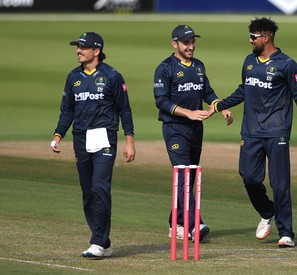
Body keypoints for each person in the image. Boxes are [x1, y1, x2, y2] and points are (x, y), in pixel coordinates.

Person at [210, 17, 297, 247]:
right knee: (248, 177)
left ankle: (286, 233)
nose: (250, 41)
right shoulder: (249, 61)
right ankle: (267, 211)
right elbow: (243, 90)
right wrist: (221, 105)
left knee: (280, 184)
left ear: (266, 37)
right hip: (251, 131)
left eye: (253, 37)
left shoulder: (288, 64)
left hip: (277, 131)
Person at [50, 32, 136, 257]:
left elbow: (124, 110)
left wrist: (130, 141)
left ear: (96, 51)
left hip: (105, 137)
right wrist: (59, 134)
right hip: (81, 138)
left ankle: (97, 241)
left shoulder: (112, 76)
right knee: (88, 192)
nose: (78, 50)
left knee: (100, 187)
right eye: (77, 47)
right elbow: (67, 109)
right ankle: (104, 242)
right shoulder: (73, 77)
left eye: (83, 47)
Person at [153, 25, 233, 242]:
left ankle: (176, 224)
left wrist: (220, 107)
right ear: (174, 44)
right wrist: (187, 113)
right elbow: (161, 101)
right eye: (186, 42)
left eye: (192, 42)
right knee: (183, 176)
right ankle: (194, 224)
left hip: (196, 129)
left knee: (189, 179)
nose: (191, 46)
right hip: (174, 129)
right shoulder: (165, 68)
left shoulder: (198, 66)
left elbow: (207, 91)